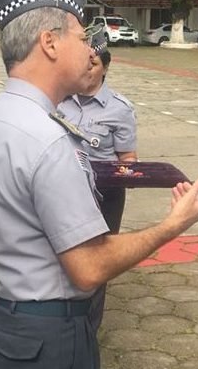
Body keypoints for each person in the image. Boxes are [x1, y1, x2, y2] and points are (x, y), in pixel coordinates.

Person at [0, 0, 198, 369]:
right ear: (49, 42)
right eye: (82, 36)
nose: (92, 50)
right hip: (47, 336)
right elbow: (89, 267)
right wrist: (172, 226)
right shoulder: (48, 140)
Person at [56, 32, 138, 329]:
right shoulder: (60, 99)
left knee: (98, 261)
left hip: (105, 196)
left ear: (104, 67)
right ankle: (62, 319)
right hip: (62, 192)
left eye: (92, 62)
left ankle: (89, 328)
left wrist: (131, 175)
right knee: (64, 257)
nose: (86, 67)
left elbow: (128, 159)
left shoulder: (119, 109)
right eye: (83, 61)